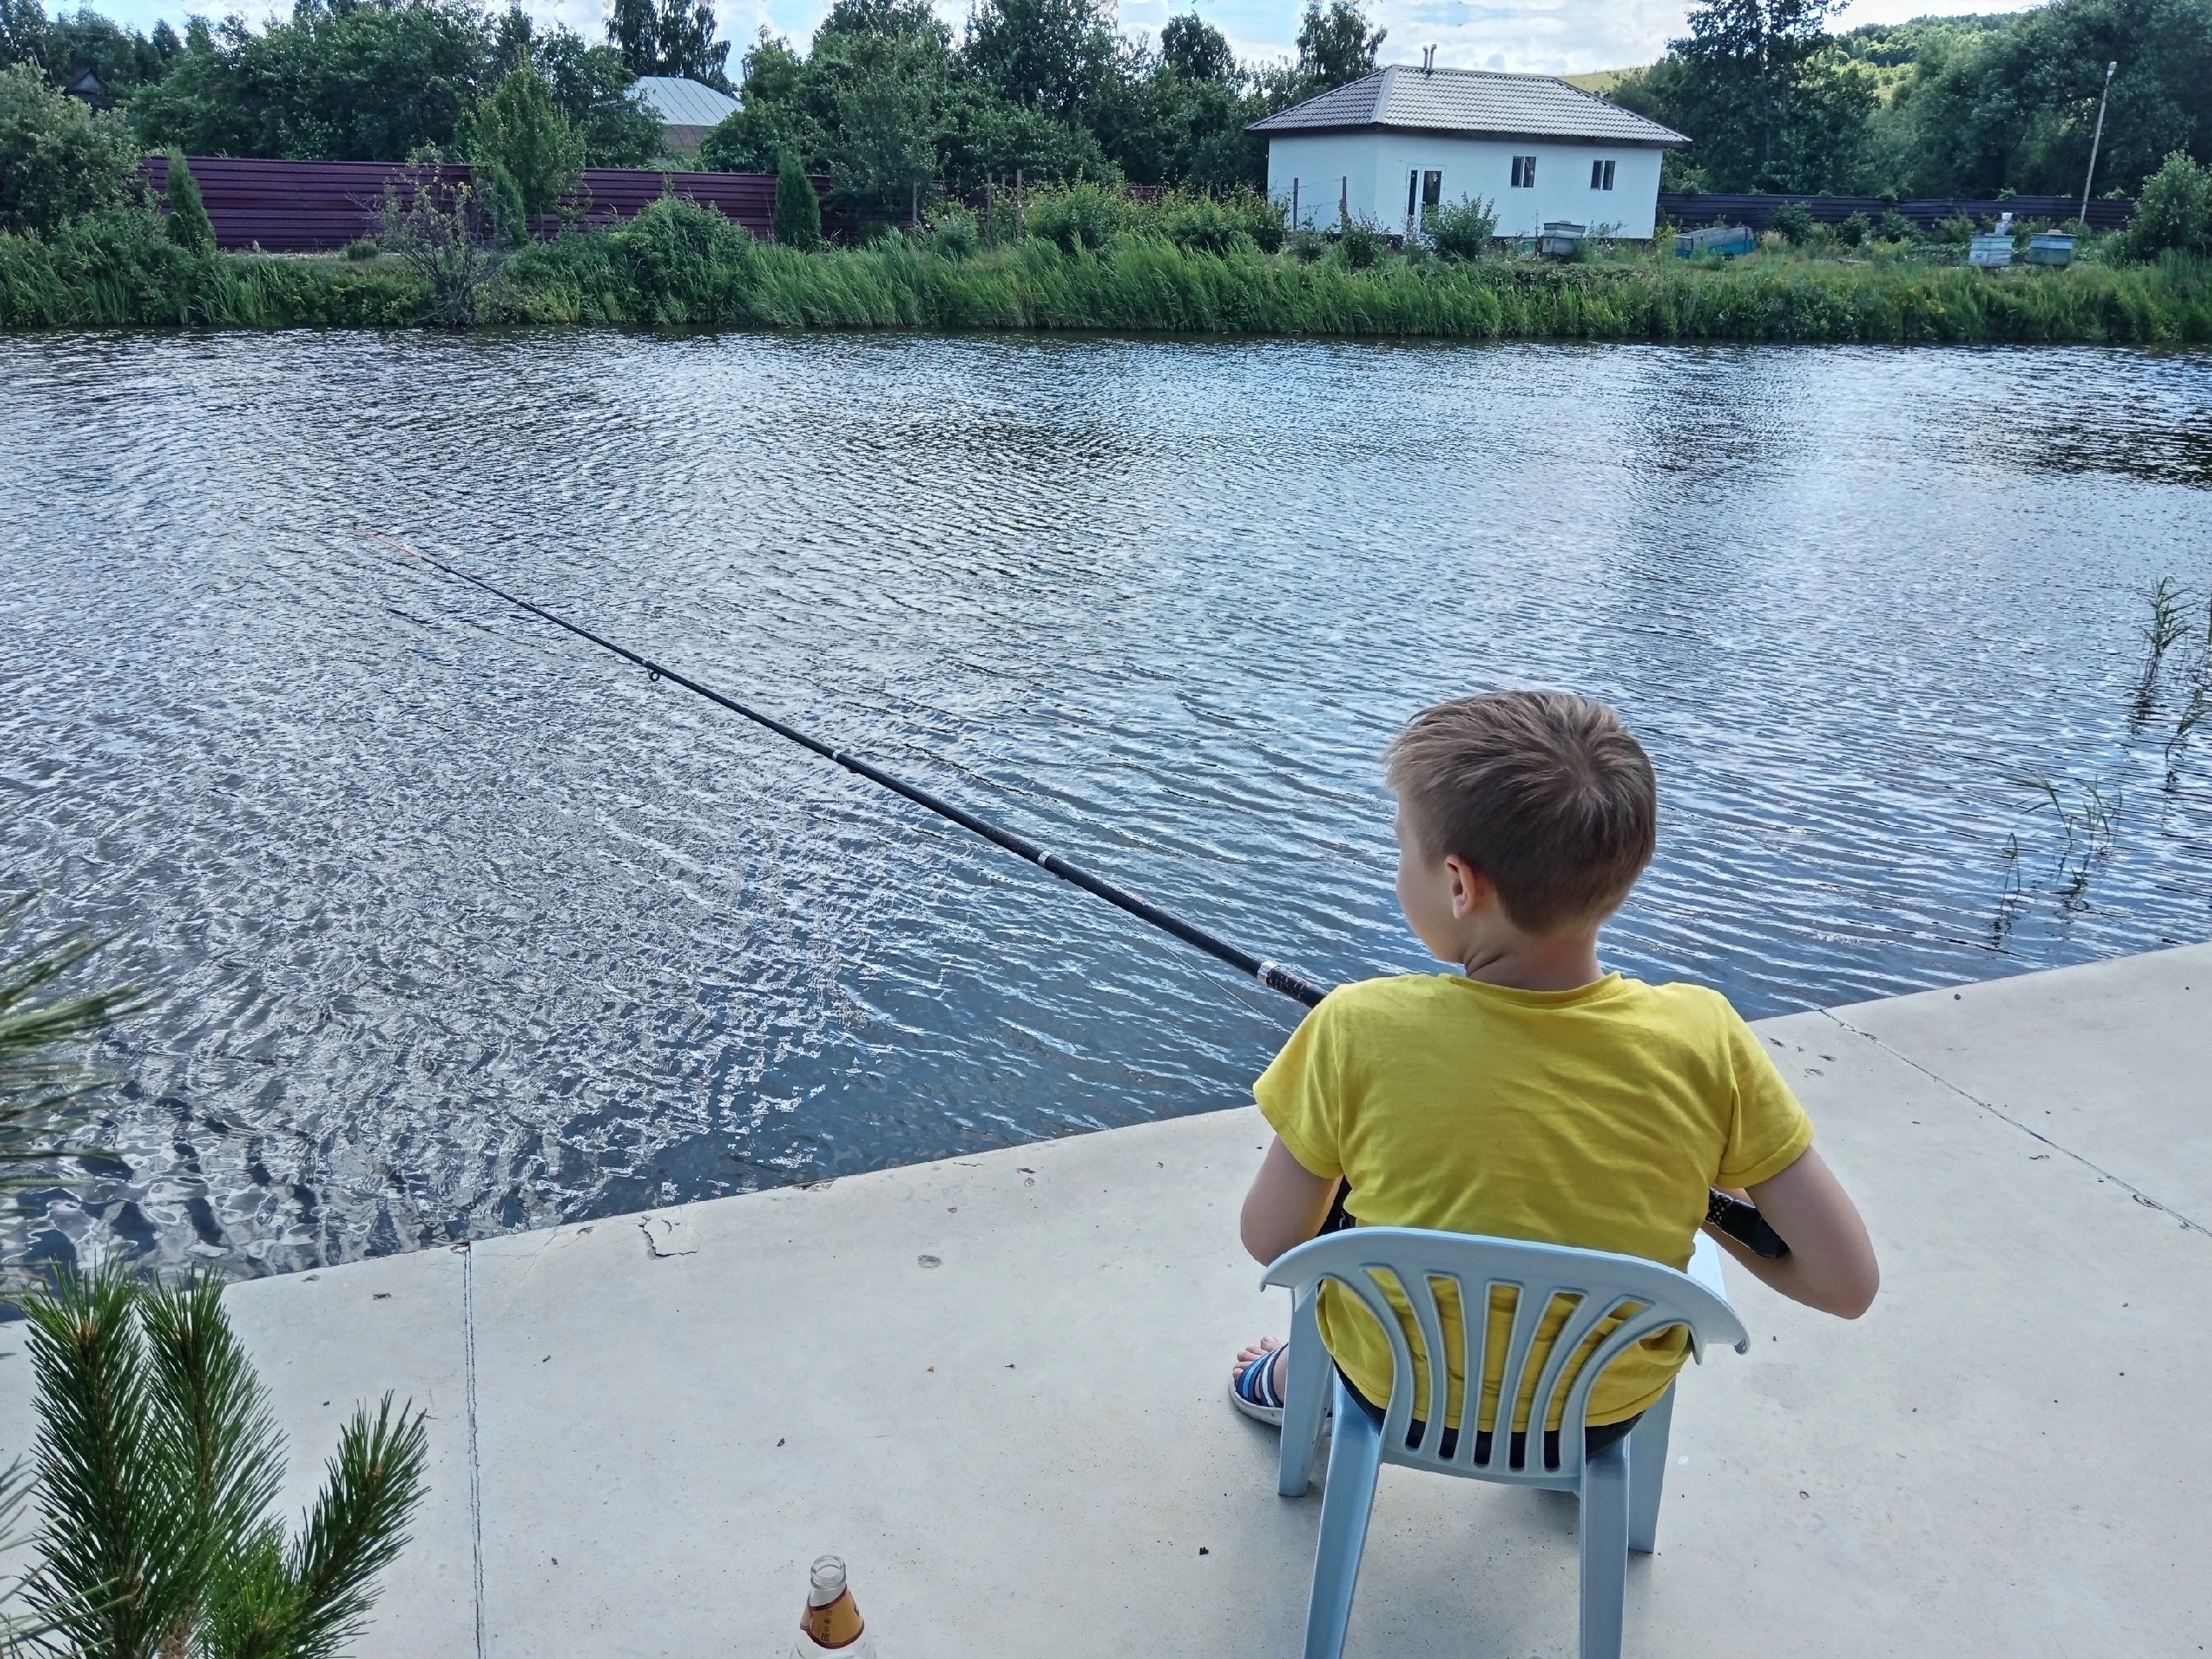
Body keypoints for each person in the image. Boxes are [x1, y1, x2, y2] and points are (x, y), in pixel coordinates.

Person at [1228, 690, 1878, 1460]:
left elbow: (1271, 1238)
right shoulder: (1706, 1040)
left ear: (1460, 885)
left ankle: (1303, 1372)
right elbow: (1847, 1285)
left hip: (1394, 1390)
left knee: (1346, 1222)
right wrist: (1693, 1195)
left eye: (1403, 846)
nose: (1398, 865)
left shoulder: (1355, 1025)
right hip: (1597, 1416)